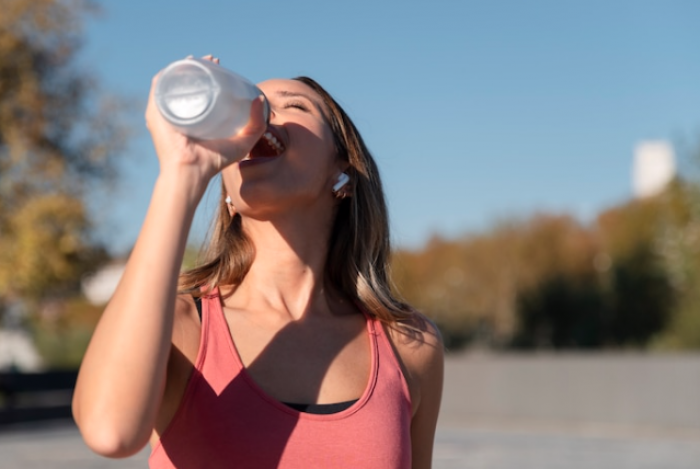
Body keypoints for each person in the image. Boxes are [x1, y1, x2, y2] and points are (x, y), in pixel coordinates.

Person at [72, 56, 444, 468]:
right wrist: (182, 172)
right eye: (252, 104)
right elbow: (110, 432)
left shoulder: (409, 346)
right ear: (228, 195)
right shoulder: (182, 327)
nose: (260, 116)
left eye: (294, 105)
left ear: (344, 171)